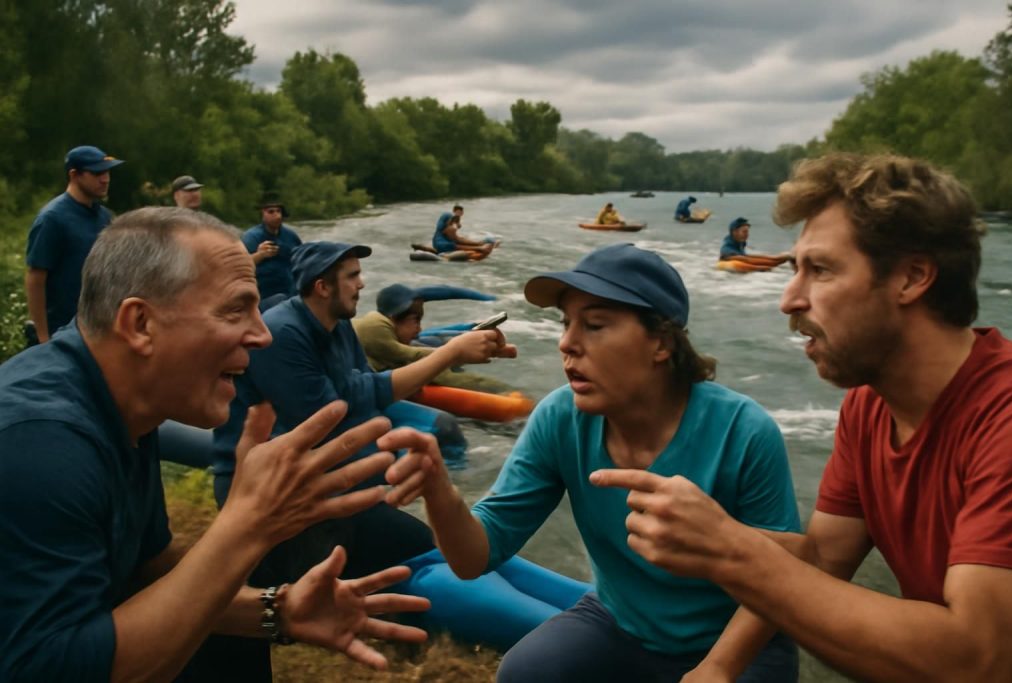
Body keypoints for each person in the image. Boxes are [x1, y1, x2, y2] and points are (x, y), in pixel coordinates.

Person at [592, 154, 1012, 681]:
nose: (789, 299)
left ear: (912, 277)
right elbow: (820, 560)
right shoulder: (869, 405)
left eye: (819, 270)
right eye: (795, 268)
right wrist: (719, 663)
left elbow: (980, 661)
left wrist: (732, 551)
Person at [0, 207, 431, 683]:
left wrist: (277, 610)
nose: (263, 334)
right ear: (140, 324)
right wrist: (248, 526)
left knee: (220, 634)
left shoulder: (121, 406)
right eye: (236, 309)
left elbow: (149, 569)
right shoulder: (41, 443)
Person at [383, 242, 801, 682]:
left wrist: (716, 669)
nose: (567, 343)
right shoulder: (561, 419)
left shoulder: (743, 431)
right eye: (567, 324)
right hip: (620, 621)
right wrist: (440, 492)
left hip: (735, 642)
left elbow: (784, 578)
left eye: (595, 325)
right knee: (523, 673)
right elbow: (473, 560)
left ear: (661, 341)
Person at [212, 242, 585, 650]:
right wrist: (447, 354)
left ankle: (606, 607)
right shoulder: (283, 333)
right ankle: (588, 640)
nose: (362, 283)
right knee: (422, 570)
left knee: (455, 552)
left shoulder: (337, 328)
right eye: (352, 276)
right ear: (322, 286)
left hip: (341, 497)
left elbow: (363, 389)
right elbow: (333, 411)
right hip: (290, 515)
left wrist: (453, 356)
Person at [25, 145, 124, 344]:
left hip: (96, 328)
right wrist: (44, 338)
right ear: (74, 175)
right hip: (61, 332)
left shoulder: (103, 216)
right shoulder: (52, 219)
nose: (105, 179)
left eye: (106, 172)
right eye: (96, 173)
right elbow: (36, 278)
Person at [354, 283, 515, 394]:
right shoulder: (375, 329)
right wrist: (455, 352)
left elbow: (444, 291)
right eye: (415, 321)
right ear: (395, 317)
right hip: (378, 378)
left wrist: (484, 302)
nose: (419, 328)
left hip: (402, 353)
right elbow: (413, 356)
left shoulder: (388, 321)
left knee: (431, 340)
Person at [242, 193, 302, 300]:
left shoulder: (290, 235)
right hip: (263, 294)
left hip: (290, 290)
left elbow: (302, 259)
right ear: (263, 214)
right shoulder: (251, 237)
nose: (277, 215)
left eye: (278, 211)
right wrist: (260, 255)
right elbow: (240, 266)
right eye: (271, 212)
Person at [719, 217, 792, 270]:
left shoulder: (739, 242)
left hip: (741, 260)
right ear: (734, 232)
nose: (747, 234)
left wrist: (776, 258)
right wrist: (767, 266)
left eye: (747, 232)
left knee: (776, 260)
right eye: (744, 232)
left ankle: (784, 257)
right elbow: (745, 259)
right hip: (731, 265)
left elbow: (745, 256)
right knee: (775, 262)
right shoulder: (727, 248)